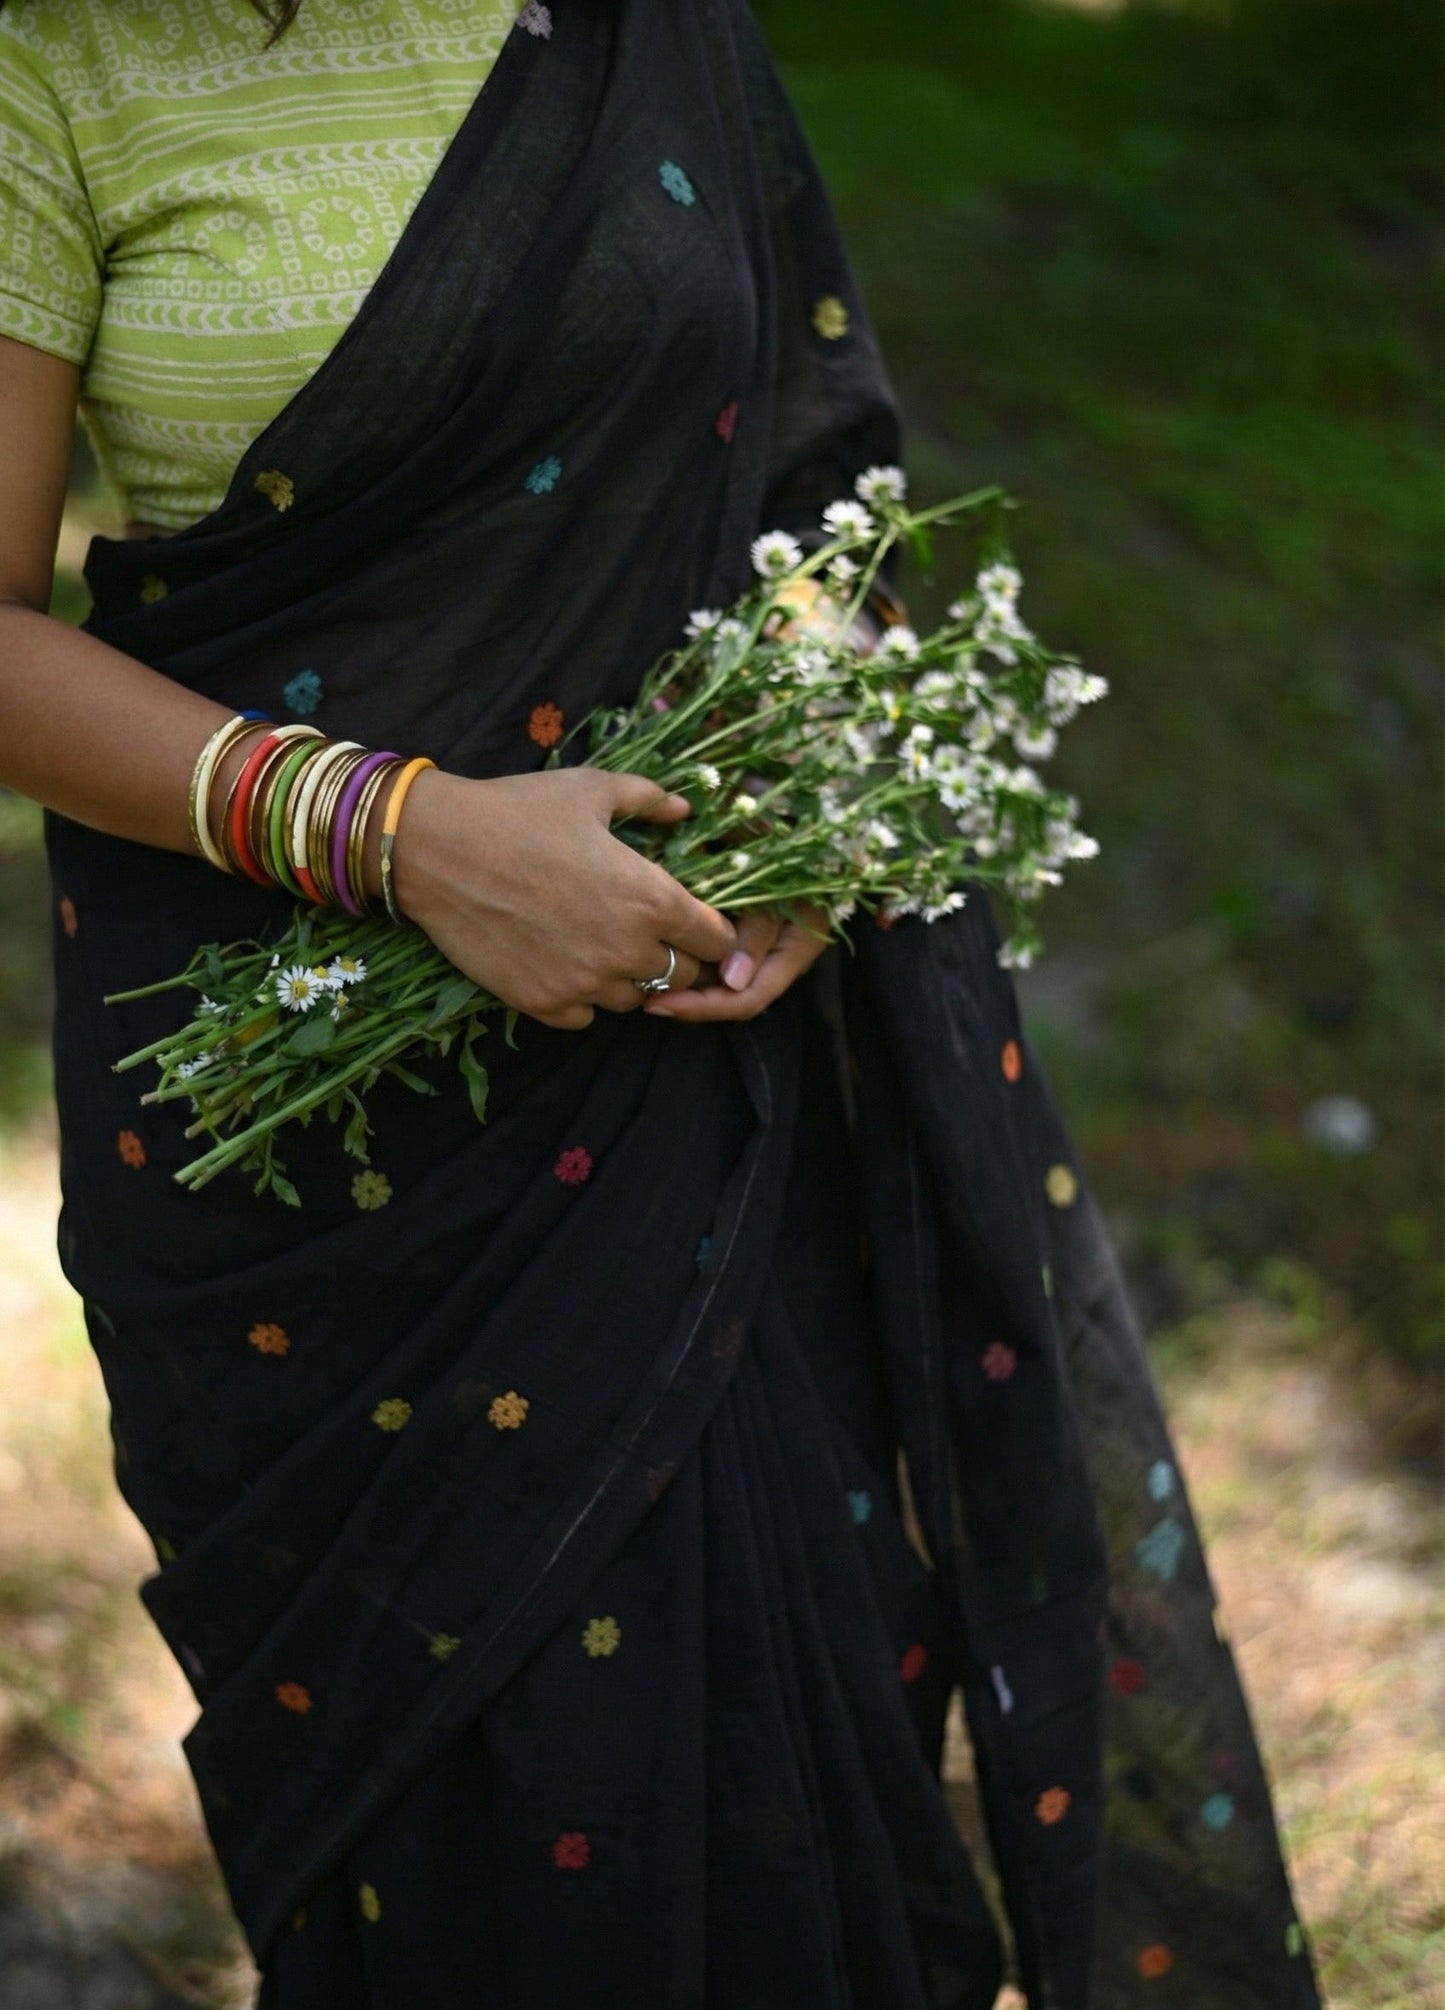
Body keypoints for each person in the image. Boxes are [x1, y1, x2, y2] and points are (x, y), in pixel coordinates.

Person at [0, 2, 1321, 2004]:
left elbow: (802, 477)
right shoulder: (55, 61)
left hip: (708, 1070)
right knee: (464, 1853)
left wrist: (807, 807)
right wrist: (404, 838)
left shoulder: (639, 22)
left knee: (795, 1801)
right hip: (323, 1156)